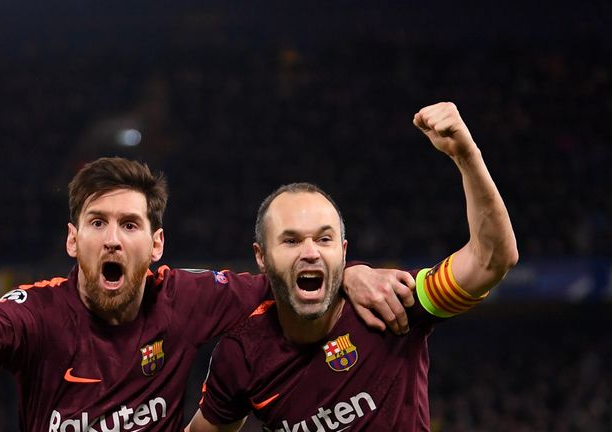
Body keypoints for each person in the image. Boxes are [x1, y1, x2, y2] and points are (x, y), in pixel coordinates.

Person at [0, 157, 416, 431]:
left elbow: (289, 279)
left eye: (130, 224)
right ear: (73, 240)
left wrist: (349, 273)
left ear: (157, 244)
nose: (114, 239)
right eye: (97, 223)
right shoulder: (39, 313)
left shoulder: (184, 300)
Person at [187, 102, 519, 432]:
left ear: (343, 252)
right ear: (261, 256)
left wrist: (466, 156)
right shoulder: (241, 355)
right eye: (290, 241)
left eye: (324, 239)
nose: (310, 252)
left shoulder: (393, 302)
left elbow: (491, 261)